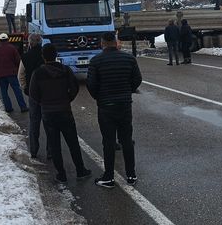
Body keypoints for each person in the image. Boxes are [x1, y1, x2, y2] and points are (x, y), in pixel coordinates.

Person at [87, 32, 142, 188]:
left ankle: (109, 176)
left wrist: (99, 96)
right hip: (124, 104)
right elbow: (137, 79)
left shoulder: (96, 61)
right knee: (126, 140)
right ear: (115, 42)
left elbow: (91, 84)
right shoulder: (129, 59)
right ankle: (131, 174)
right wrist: (127, 90)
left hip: (106, 106)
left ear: (102, 43)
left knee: (108, 142)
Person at [30, 44, 91, 183]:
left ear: (43, 56)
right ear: (56, 54)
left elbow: (33, 93)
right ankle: (80, 170)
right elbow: (74, 87)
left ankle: (61, 174)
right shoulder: (65, 70)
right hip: (64, 110)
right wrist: (67, 99)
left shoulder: (38, 73)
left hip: (48, 113)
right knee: (73, 142)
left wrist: (43, 103)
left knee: (54, 144)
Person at [18, 33, 52, 159]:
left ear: (30, 43)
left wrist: (25, 88)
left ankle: (34, 150)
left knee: (34, 123)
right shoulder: (46, 56)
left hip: (33, 95)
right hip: (48, 94)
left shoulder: (25, 57)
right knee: (49, 124)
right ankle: (50, 151)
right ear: (41, 42)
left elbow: (21, 75)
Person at [0, 33, 28, 113]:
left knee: (4, 92)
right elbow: (18, 60)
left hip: (1, 74)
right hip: (12, 73)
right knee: (17, 90)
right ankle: (23, 107)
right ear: (8, 39)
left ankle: (8, 108)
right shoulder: (12, 48)